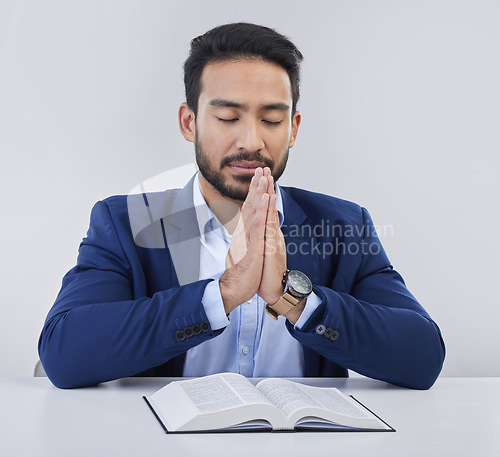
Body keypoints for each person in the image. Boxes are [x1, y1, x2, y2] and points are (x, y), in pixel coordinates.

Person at [38, 22, 445, 389]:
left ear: (293, 129)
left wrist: (293, 300)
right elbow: (65, 354)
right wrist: (225, 292)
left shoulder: (343, 226)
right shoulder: (127, 223)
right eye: (229, 117)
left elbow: (422, 357)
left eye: (271, 120)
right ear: (189, 122)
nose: (251, 141)